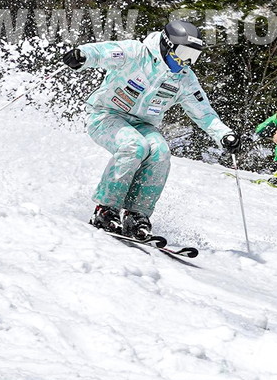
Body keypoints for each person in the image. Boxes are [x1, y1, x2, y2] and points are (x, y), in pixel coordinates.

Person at [63, 19, 240, 239]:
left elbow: (203, 111)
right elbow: (106, 51)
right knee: (134, 146)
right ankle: (105, 210)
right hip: (107, 115)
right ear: (168, 44)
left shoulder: (184, 79)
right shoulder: (136, 53)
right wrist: (83, 55)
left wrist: (224, 134)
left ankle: (136, 215)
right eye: (184, 52)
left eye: (193, 56)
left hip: (143, 124)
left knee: (160, 152)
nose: (186, 61)